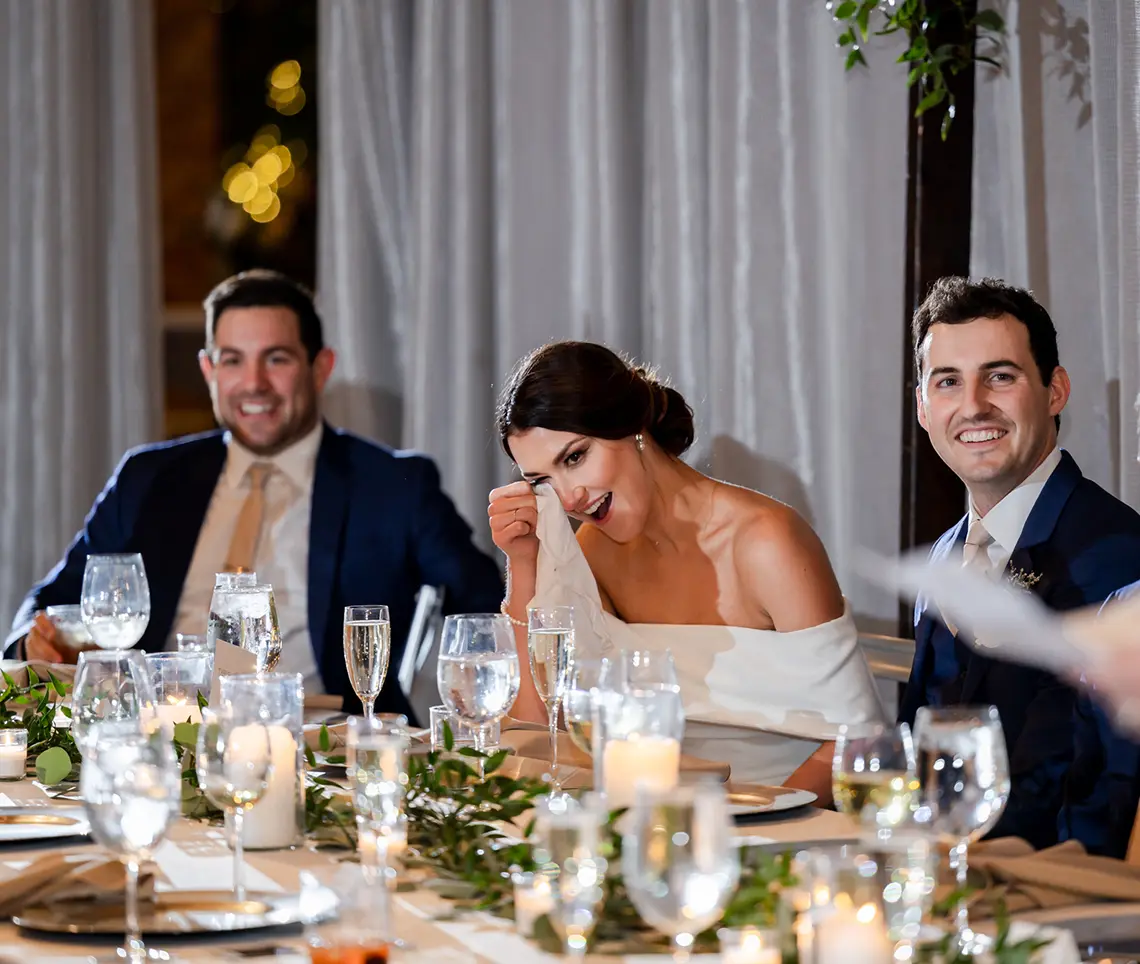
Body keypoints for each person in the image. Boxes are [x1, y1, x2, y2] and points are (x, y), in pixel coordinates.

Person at [6, 270, 504, 720]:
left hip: (325, 747)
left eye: (277, 359)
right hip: (157, 734)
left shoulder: (392, 485)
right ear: (209, 371)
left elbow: (486, 606)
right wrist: (35, 645)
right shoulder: (148, 476)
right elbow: (50, 603)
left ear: (320, 367)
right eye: (233, 361)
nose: (253, 384)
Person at [488, 341, 884, 792]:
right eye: (542, 481)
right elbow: (534, 727)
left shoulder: (764, 541)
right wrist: (522, 562)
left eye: (575, 457)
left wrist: (748, 822)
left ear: (631, 425)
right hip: (654, 819)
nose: (569, 497)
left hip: (781, 825)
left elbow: (857, 740)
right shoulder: (593, 552)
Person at [898, 276, 1140, 850]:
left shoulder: (1121, 556)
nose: (974, 405)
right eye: (948, 382)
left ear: (1055, 391)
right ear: (923, 407)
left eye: (1000, 377)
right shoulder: (944, 555)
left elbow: (1111, 791)